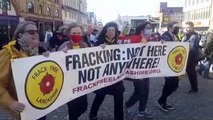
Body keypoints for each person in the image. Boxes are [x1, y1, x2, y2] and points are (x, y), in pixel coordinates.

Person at [0, 21, 47, 120]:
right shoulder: (8, 53)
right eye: (31, 32)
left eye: (36, 31)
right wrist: (10, 102)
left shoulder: (41, 51)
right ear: (21, 35)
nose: (36, 34)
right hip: (23, 108)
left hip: (41, 104)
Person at [89, 22, 125, 120]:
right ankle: (93, 114)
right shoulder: (99, 43)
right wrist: (99, 49)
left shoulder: (119, 42)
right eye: (109, 30)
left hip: (116, 75)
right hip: (103, 75)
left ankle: (119, 118)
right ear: (105, 32)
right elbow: (93, 58)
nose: (111, 32)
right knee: (100, 96)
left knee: (119, 96)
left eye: (113, 30)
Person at [58, 23, 88, 120]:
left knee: (84, 106)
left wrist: (102, 48)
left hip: (82, 82)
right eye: (74, 33)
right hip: (69, 84)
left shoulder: (85, 45)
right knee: (73, 108)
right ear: (69, 34)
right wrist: (61, 55)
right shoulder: (64, 46)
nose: (77, 35)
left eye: (79, 33)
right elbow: (56, 63)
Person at [124, 22, 154, 118]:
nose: (150, 29)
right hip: (136, 70)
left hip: (146, 69)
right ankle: (127, 105)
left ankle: (142, 109)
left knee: (146, 90)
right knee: (140, 91)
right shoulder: (134, 39)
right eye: (148, 28)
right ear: (142, 30)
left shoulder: (149, 39)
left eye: (150, 28)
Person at [157, 22, 180, 112]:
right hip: (167, 65)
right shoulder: (166, 36)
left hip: (174, 65)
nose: (177, 28)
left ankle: (163, 100)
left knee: (174, 85)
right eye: (175, 27)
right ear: (170, 28)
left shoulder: (175, 36)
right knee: (170, 84)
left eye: (178, 27)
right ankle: (161, 101)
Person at [183, 21, 200, 93]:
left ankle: (194, 88)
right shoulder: (187, 35)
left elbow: (192, 50)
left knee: (191, 73)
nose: (186, 29)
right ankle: (194, 87)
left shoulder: (193, 36)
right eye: (185, 27)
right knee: (191, 73)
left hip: (190, 59)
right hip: (188, 58)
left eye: (188, 27)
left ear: (192, 28)